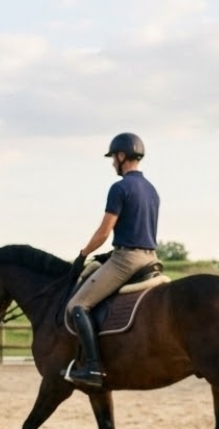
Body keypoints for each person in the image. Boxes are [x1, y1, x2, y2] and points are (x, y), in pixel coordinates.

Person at [63, 132, 160, 389]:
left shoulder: (120, 188)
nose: (112, 164)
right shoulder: (151, 190)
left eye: (113, 158)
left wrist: (83, 254)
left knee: (77, 305)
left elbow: (104, 232)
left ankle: (93, 367)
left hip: (127, 259)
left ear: (120, 156)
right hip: (151, 257)